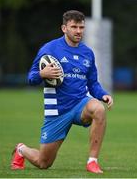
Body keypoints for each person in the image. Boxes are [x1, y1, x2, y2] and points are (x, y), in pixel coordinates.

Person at [11, 10, 113, 174]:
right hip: (57, 111)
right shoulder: (49, 49)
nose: (78, 31)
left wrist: (103, 95)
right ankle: (21, 150)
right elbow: (31, 78)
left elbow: (92, 83)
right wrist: (42, 74)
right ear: (64, 28)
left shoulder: (87, 53)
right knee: (43, 163)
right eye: (74, 27)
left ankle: (92, 162)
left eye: (81, 27)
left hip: (81, 103)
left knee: (99, 109)